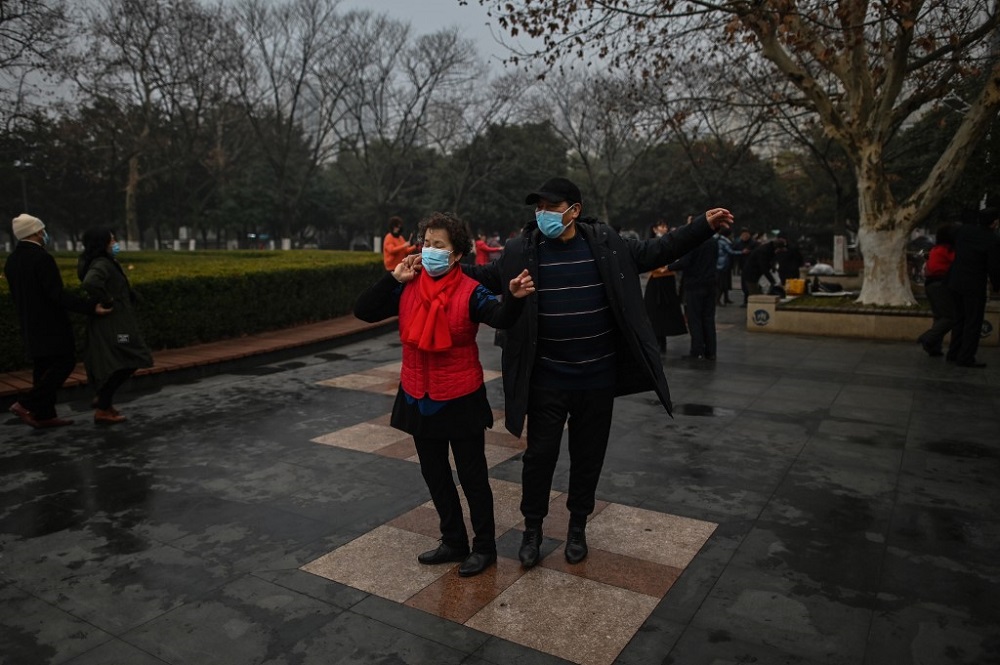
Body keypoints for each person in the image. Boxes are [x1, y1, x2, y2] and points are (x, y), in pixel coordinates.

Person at [459, 177, 733, 568]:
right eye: (538, 208)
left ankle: (576, 527)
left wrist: (701, 225)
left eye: (551, 207)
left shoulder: (606, 245)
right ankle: (532, 529)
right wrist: (442, 264)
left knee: (588, 457)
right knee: (539, 457)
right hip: (546, 379)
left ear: (574, 210)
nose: (543, 215)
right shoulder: (523, 249)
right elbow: (487, 277)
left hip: (596, 378)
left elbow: (659, 250)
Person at [354, 211, 535, 577]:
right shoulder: (408, 284)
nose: (429, 250)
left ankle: (484, 547)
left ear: (455, 255)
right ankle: (453, 540)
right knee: (434, 474)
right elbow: (363, 311)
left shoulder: (470, 289)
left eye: (439, 245)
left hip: (460, 396)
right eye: (426, 243)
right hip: (418, 394)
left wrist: (514, 298)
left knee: (472, 476)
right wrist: (393, 278)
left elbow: (500, 316)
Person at [4, 214, 112, 428]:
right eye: (42, 230)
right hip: (50, 324)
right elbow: (57, 294)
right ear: (35, 232)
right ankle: (26, 404)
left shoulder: (12, 260)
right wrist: (90, 307)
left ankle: (44, 415)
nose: (45, 234)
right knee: (64, 362)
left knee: (42, 368)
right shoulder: (42, 258)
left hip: (29, 323)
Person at [77, 228, 154, 423]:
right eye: (112, 240)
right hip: (116, 327)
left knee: (123, 359)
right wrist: (109, 300)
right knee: (132, 355)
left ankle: (105, 402)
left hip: (113, 324)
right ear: (102, 243)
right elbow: (90, 282)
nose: (115, 243)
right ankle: (103, 403)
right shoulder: (102, 263)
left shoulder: (98, 261)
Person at [945, 208, 1000, 368]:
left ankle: (953, 353)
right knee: (973, 322)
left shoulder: (964, 231)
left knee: (959, 319)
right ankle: (966, 357)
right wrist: (997, 285)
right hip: (974, 285)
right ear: (994, 222)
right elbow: (994, 266)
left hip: (955, 281)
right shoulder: (992, 239)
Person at [669, 225, 720, 360]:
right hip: (711, 284)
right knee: (708, 318)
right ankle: (711, 351)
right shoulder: (713, 242)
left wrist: (668, 267)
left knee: (695, 318)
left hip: (695, 285)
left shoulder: (693, 243)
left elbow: (685, 262)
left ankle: (697, 350)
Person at [643, 220, 687, 353]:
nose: (665, 228)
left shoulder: (669, 242)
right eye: (662, 226)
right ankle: (657, 341)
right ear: (655, 229)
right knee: (654, 312)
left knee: (665, 312)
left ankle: (662, 342)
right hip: (657, 281)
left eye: (666, 226)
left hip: (667, 281)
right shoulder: (652, 243)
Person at [916, 223, 957, 357]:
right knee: (950, 317)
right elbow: (956, 262)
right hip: (941, 284)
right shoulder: (947, 250)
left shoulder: (935, 249)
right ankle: (928, 338)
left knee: (939, 317)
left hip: (930, 285)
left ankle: (933, 347)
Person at [715, 226, 742, 305]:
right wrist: (741, 252)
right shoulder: (723, 242)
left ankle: (725, 298)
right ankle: (718, 300)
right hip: (722, 265)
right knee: (721, 284)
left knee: (725, 283)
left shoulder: (722, 241)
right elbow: (730, 251)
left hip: (723, 264)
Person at [732, 227, 757, 305]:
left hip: (751, 267)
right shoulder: (738, 243)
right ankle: (745, 301)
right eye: (743, 235)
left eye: (746, 234)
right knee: (744, 284)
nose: (745, 236)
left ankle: (750, 300)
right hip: (742, 266)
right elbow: (733, 251)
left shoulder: (753, 243)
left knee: (750, 284)